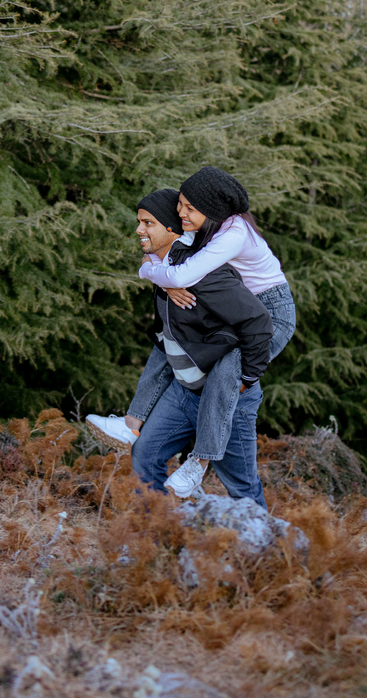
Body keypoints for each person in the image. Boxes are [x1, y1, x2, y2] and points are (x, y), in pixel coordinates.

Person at [88, 167, 297, 501]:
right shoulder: (199, 236)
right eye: (180, 205)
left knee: (231, 367)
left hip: (271, 313)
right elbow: (159, 254)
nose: (181, 212)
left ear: (211, 211)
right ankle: (133, 432)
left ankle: (200, 462)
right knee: (167, 341)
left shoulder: (231, 236)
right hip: (224, 330)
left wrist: (248, 377)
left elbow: (187, 276)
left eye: (189, 207)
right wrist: (162, 277)